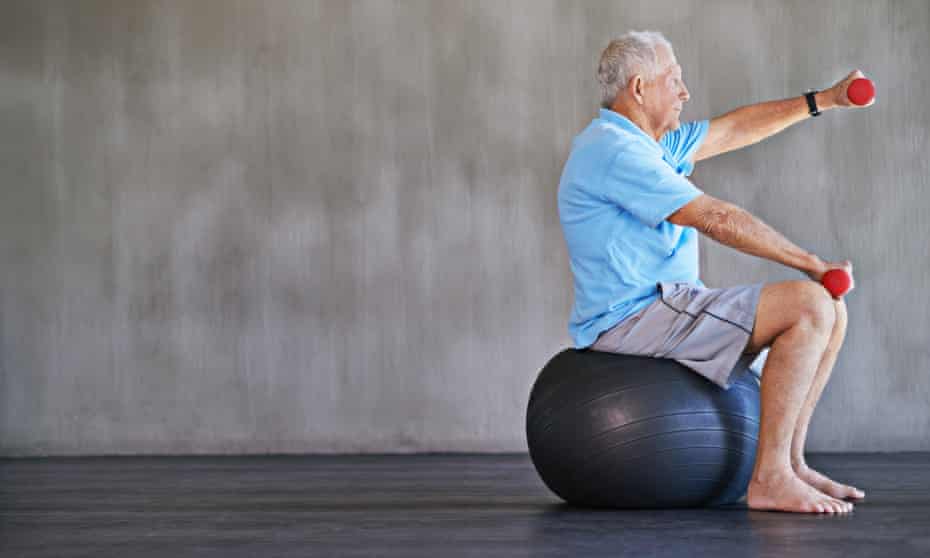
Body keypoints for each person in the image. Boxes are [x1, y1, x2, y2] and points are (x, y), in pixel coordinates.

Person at [557, 30, 872, 514]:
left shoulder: (651, 144)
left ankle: (790, 463)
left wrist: (823, 100)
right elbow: (713, 217)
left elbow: (734, 129)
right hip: (633, 317)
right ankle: (768, 479)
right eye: (674, 80)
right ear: (639, 89)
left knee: (831, 307)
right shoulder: (614, 151)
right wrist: (812, 263)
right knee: (809, 304)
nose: (684, 92)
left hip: (669, 304)